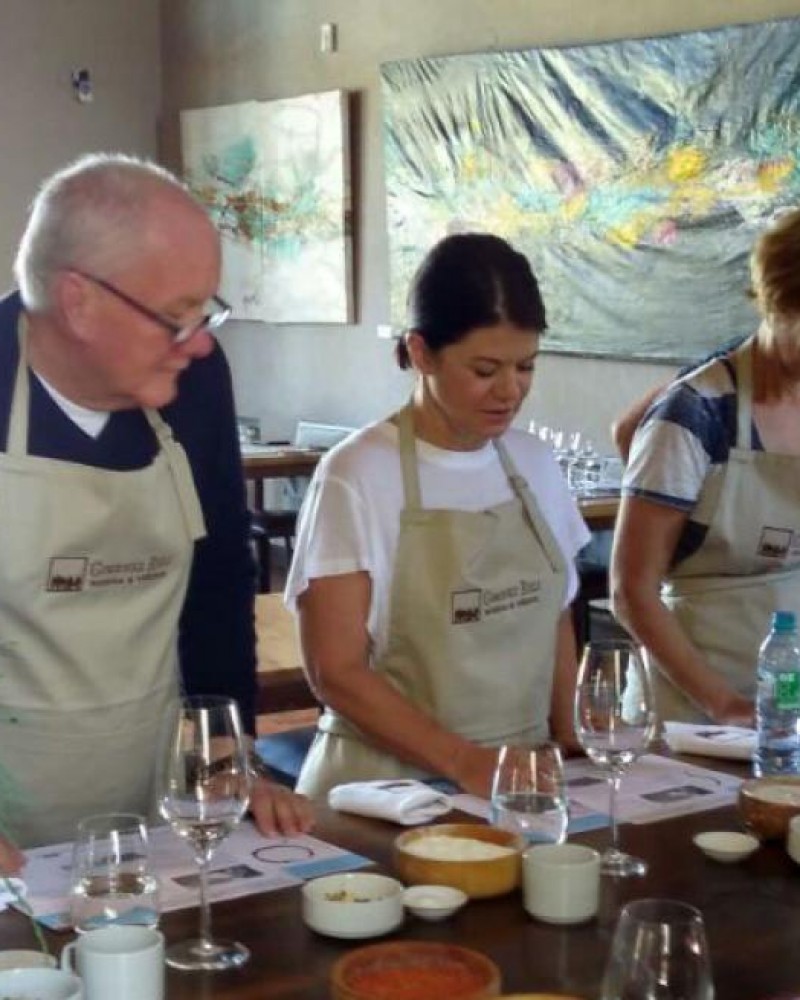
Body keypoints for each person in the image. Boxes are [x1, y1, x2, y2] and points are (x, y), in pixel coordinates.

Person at [0, 153, 312, 868]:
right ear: (78, 301)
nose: (200, 342)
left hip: (153, 802)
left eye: (205, 313)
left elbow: (218, 578)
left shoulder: (196, 380)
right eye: (175, 319)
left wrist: (230, 753)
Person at [285, 233, 590, 798]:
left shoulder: (535, 463)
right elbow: (337, 672)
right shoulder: (356, 473)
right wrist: (466, 762)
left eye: (525, 366)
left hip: (520, 779)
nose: (510, 390)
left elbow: (555, 616)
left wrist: (571, 735)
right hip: (384, 790)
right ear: (421, 353)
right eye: (484, 369)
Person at [610, 208, 800, 725]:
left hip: (786, 700)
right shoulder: (696, 413)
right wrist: (724, 704)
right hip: (690, 710)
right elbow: (631, 591)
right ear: (773, 307)